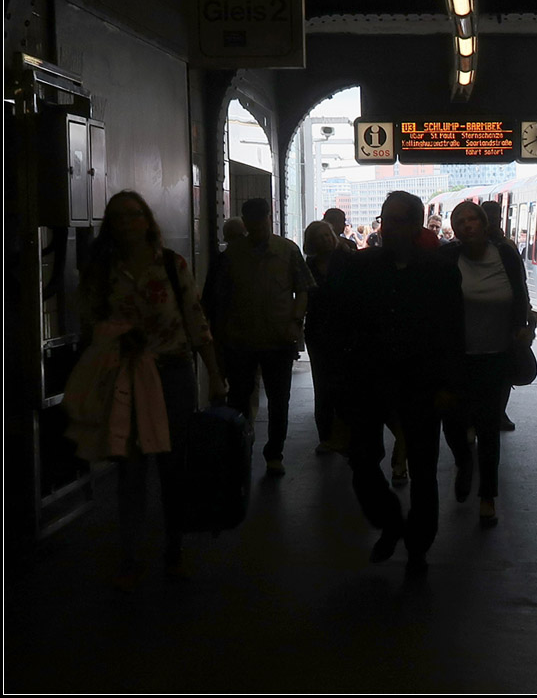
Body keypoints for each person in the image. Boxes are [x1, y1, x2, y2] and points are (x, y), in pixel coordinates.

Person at [77, 190, 226, 590]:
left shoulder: (172, 266)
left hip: (171, 374)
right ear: (110, 225)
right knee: (130, 469)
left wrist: (214, 374)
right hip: (123, 375)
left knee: (173, 467)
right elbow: (88, 321)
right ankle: (130, 556)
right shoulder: (102, 270)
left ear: (147, 220)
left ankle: (174, 550)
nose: (127, 223)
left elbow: (196, 322)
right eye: (118, 216)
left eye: (133, 215)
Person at [329, 190, 464, 575]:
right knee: (362, 460)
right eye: (385, 219)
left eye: (398, 221)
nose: (388, 228)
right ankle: (391, 521)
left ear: (417, 225)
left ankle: (417, 544)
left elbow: (452, 332)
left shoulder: (439, 271)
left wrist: (449, 385)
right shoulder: (360, 266)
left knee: (423, 468)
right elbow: (342, 324)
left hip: (421, 382)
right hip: (369, 381)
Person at [440, 201, 536, 528]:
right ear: (454, 229)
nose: (467, 225)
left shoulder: (505, 255)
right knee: (453, 424)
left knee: (488, 428)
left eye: (472, 219)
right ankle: (464, 462)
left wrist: (522, 327)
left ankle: (487, 497)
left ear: (483, 224)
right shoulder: (447, 258)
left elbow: (519, 294)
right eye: (460, 221)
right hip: (457, 359)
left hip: (496, 357)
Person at [207, 198, 315, 476]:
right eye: (253, 221)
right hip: (242, 340)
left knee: (278, 401)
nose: (258, 226)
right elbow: (221, 300)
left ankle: (273, 453)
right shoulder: (233, 255)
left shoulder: (285, 250)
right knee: (242, 400)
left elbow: (303, 289)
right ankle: (243, 451)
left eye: (261, 220)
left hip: (276, 339)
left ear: (268, 218)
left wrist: (296, 322)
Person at [303, 220, 354, 454]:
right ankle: (326, 436)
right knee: (322, 386)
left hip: (345, 331)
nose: (325, 239)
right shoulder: (309, 265)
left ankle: (345, 434)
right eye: (320, 236)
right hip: (318, 333)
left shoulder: (346, 259)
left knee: (343, 385)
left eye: (327, 235)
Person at [482, 200, 520, 431]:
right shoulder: (505, 246)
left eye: (495, 217)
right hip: (488, 319)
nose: (493, 221)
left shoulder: (506, 247)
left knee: (502, 371)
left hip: (502, 319)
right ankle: (496, 413)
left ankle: (497, 412)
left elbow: (519, 284)